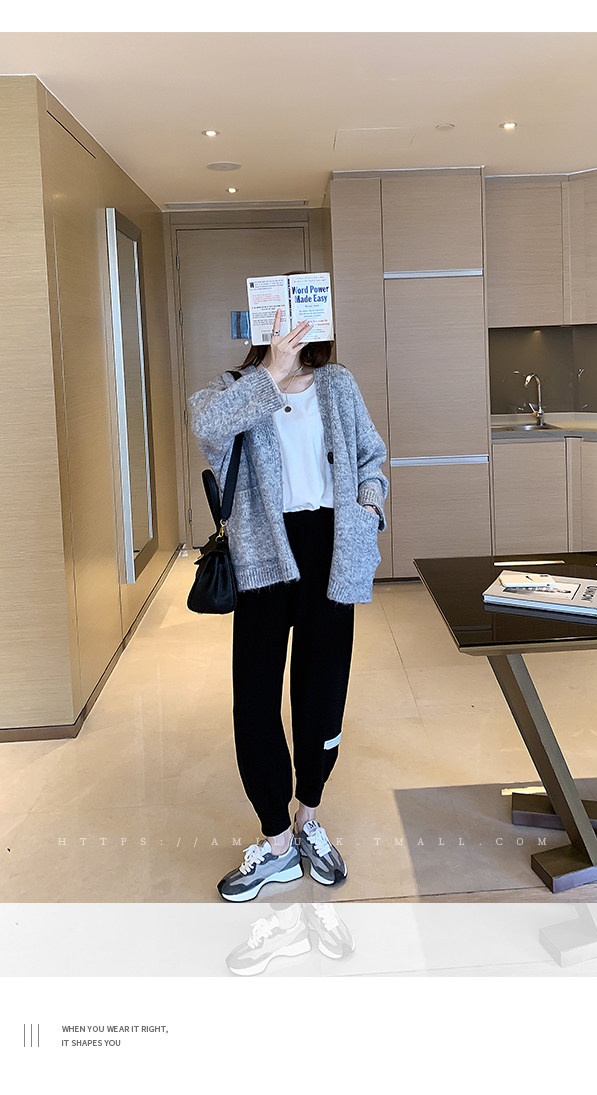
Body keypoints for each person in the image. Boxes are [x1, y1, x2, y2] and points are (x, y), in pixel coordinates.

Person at [188, 307, 388, 902]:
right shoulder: (234, 388)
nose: (291, 330)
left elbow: (371, 456)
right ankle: (276, 842)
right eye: (278, 320)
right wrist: (271, 373)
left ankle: (308, 816)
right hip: (263, 554)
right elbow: (208, 428)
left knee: (322, 692)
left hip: (333, 548)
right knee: (254, 698)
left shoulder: (338, 382)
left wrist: (369, 506)